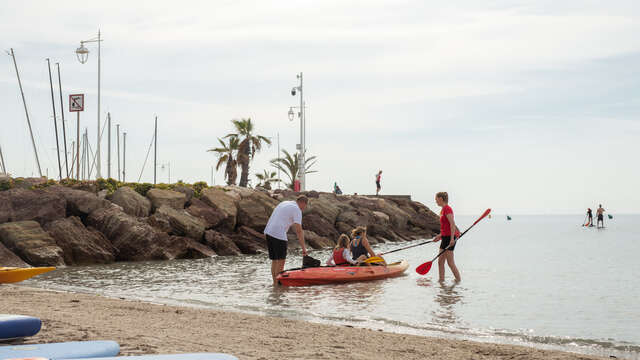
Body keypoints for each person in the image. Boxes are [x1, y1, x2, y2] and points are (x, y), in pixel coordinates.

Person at [264, 195, 309, 285]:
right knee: (281, 260)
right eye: (305, 206)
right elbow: (299, 230)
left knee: (275, 260)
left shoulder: (284, 203)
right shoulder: (297, 209)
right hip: (278, 234)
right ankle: (279, 284)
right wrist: (304, 248)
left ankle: (275, 284)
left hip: (269, 232)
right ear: (303, 203)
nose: (304, 208)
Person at [433, 191, 461, 282]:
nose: (435, 201)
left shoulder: (447, 209)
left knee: (450, 262)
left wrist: (452, 238)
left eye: (436, 199)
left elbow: (452, 224)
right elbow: (445, 227)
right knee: (440, 261)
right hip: (445, 237)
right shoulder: (442, 210)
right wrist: (440, 236)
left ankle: (458, 280)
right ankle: (441, 281)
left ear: (441, 199)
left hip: (450, 238)